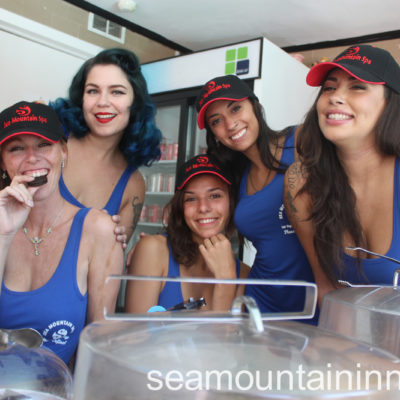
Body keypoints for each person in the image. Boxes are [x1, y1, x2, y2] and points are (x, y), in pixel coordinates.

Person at [0, 101, 124, 365]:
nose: (32, 157)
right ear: (2, 161)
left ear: (64, 152)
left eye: (44, 144)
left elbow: (100, 344)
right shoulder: (1, 225)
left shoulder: (97, 230)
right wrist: (4, 234)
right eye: (17, 148)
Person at [283, 44, 400, 305]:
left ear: (390, 103)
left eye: (357, 86)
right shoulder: (301, 182)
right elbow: (326, 288)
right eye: (329, 87)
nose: (336, 97)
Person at [195, 75, 317, 321]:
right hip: (261, 304)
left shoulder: (301, 140)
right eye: (217, 121)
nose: (230, 124)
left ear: (256, 107)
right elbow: (202, 211)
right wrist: (162, 242)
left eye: (236, 108)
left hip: (317, 298)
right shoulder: (237, 176)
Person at [50, 48, 162, 245]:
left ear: (135, 101)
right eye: (93, 91)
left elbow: (112, 257)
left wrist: (111, 243)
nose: (102, 102)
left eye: (117, 92)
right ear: (81, 98)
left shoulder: (133, 184)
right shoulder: (51, 139)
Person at [125, 154, 249, 313]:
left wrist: (225, 281)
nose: (203, 207)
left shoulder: (244, 274)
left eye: (215, 196)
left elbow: (225, 330)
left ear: (231, 201)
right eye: (191, 199)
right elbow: (136, 327)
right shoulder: (153, 250)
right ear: (180, 207)